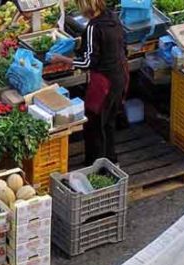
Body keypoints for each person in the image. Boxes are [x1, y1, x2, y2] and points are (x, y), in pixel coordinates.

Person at [51, 0, 129, 165]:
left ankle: (96, 165)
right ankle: (111, 162)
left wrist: (63, 59)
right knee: (108, 122)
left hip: (104, 83)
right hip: (120, 76)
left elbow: (88, 63)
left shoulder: (94, 27)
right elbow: (123, 46)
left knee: (95, 123)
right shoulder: (112, 17)